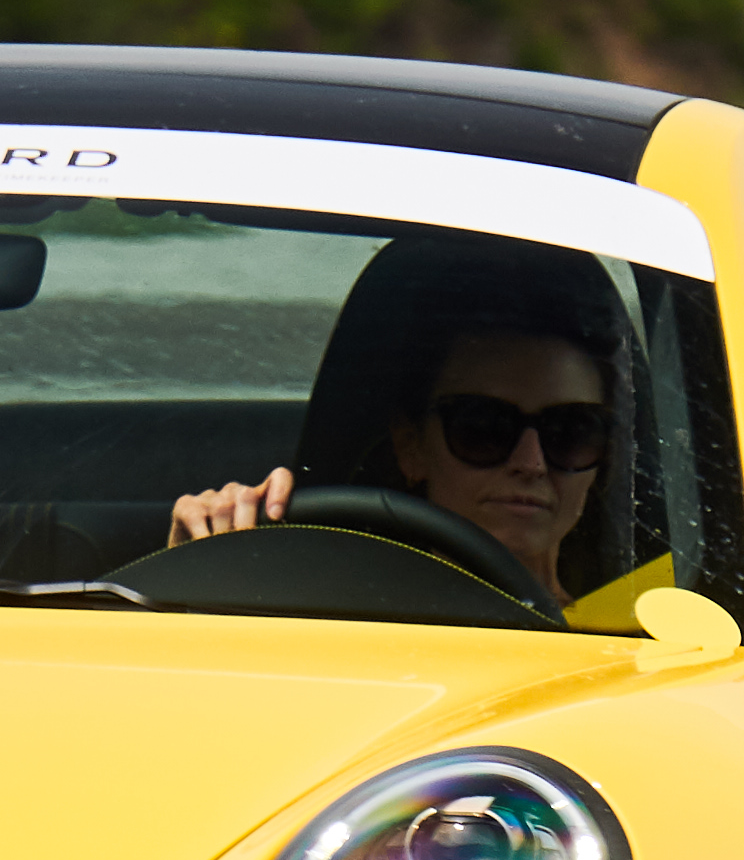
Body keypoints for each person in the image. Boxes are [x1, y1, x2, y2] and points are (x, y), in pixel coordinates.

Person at [168, 237, 671, 623]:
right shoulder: (307, 608)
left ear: (603, 457)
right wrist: (205, 565)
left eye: (571, 431)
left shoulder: (670, 628)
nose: (531, 461)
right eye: (483, 427)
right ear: (412, 448)